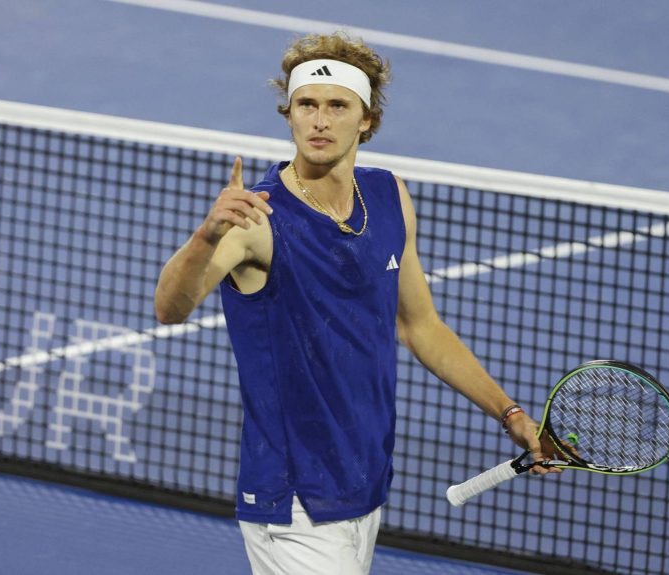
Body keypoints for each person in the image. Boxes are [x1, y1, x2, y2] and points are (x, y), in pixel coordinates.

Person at [155, 32, 559, 575]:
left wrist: (509, 413)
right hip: (294, 496)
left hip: (363, 479)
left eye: (337, 106)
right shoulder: (255, 219)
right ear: (290, 115)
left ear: (367, 119)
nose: (320, 121)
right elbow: (170, 309)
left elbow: (421, 326)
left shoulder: (390, 196)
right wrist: (206, 235)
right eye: (306, 105)